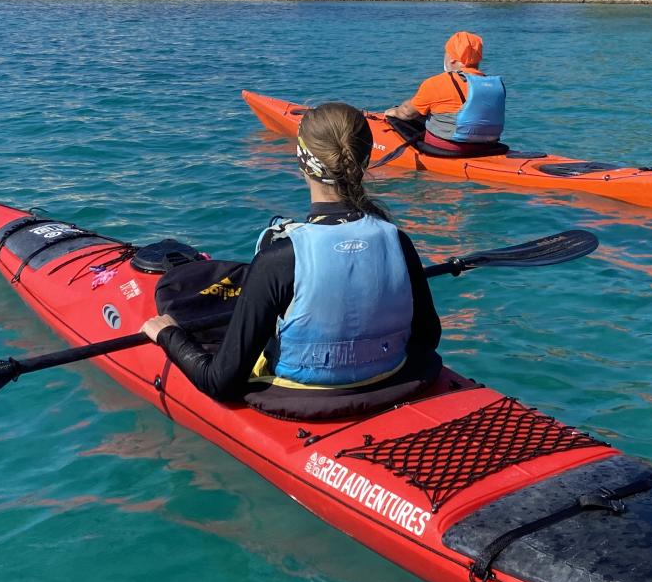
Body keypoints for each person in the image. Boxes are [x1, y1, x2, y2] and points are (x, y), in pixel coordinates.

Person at [141, 101, 440, 401]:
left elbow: (220, 383)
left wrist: (169, 334)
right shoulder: (397, 241)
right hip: (391, 377)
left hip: (303, 398)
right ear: (364, 159)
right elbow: (428, 337)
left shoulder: (279, 259)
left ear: (302, 160)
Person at [383, 30, 507, 153]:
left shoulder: (436, 83)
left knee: (403, 118)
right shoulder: (496, 85)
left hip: (448, 147)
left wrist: (393, 111)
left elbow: (407, 113)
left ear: (452, 59)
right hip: (488, 146)